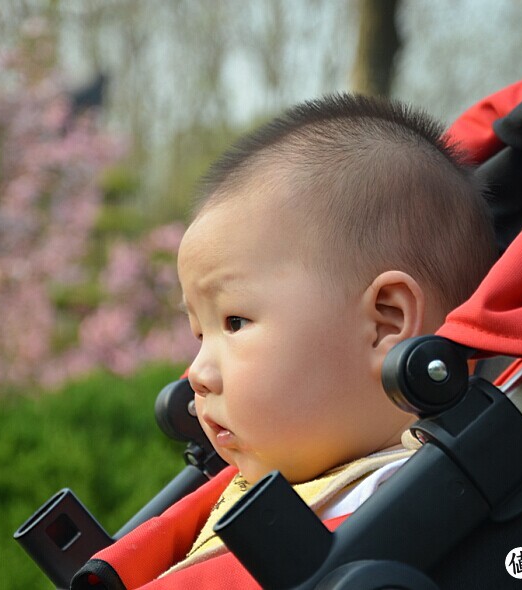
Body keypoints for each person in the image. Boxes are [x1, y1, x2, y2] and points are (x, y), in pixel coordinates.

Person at [71, 93, 497, 589]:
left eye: (234, 322)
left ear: (386, 322)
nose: (197, 376)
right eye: (199, 334)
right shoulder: (282, 485)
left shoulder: (400, 511)